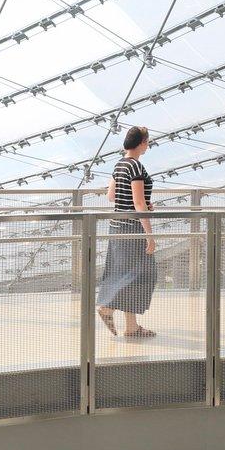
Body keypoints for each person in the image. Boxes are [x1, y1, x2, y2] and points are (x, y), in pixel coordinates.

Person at [96, 122, 157, 340]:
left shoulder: (120, 165)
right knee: (143, 275)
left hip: (116, 226)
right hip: (133, 228)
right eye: (147, 141)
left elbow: (111, 196)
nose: (147, 145)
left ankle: (132, 327)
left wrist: (142, 203)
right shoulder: (136, 168)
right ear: (142, 143)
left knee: (127, 274)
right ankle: (107, 308)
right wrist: (150, 236)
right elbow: (139, 203)